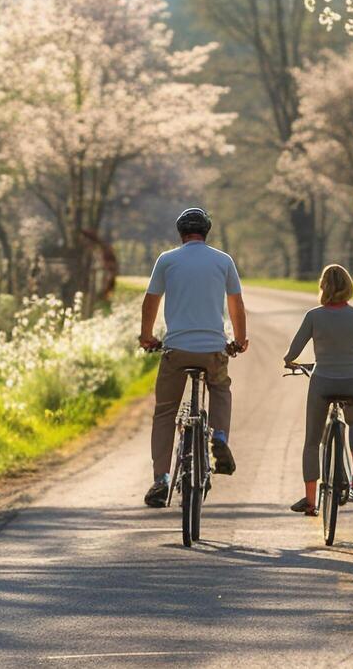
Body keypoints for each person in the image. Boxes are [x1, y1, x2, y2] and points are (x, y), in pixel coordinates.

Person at [140, 207, 249, 508]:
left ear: (180, 233)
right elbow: (236, 303)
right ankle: (221, 437)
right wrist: (239, 340)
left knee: (165, 411)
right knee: (221, 388)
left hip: (177, 350)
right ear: (207, 232)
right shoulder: (223, 260)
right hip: (213, 350)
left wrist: (147, 336)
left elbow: (151, 301)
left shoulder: (167, 260)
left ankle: (161, 479)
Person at [282, 263, 353, 516]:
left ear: (323, 288)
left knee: (312, 440)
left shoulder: (313, 316)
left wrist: (292, 362)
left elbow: (291, 354)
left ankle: (310, 501)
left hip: (323, 381)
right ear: (349, 287)